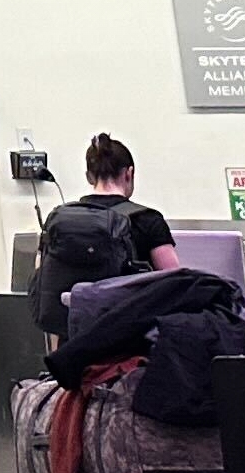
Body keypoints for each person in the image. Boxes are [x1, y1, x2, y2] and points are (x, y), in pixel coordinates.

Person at [30, 133, 180, 341]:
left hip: (74, 346)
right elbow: (177, 283)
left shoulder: (60, 220)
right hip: (131, 347)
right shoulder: (148, 220)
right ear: (129, 174)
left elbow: (44, 278)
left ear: (89, 177)